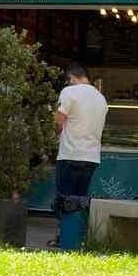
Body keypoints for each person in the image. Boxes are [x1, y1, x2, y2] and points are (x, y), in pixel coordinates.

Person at [51, 63, 108, 242]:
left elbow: (58, 122)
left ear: (71, 78)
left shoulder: (69, 92)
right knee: (81, 199)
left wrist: (53, 135)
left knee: (65, 199)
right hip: (91, 157)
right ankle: (79, 237)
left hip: (70, 154)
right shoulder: (101, 98)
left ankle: (65, 238)